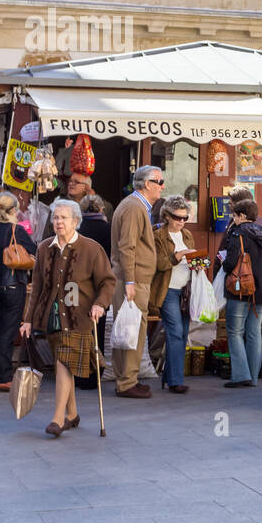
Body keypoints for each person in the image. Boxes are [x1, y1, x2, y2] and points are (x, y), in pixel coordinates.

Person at [21, 199, 115, 436]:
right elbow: (38, 286)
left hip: (79, 317)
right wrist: (28, 319)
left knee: (63, 362)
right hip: (52, 315)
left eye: (63, 218)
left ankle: (57, 419)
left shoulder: (92, 249)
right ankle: (72, 414)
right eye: (55, 217)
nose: (58, 222)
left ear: (76, 221)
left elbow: (107, 281)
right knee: (65, 364)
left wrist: (99, 304)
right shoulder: (44, 248)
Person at [110, 165, 163, 399]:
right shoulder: (133, 207)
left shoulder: (136, 206)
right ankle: (127, 382)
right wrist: (130, 281)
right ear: (146, 184)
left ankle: (127, 379)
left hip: (134, 279)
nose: (162, 187)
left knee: (129, 330)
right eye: (159, 182)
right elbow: (127, 246)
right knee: (132, 330)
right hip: (132, 281)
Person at [220, 199, 262, 388]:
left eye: (235, 215)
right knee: (255, 332)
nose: (234, 219)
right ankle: (253, 377)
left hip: (241, 290)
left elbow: (231, 263)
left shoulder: (238, 234)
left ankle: (241, 375)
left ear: (241, 216)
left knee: (235, 332)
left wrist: (223, 263)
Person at [0, 191, 38, 392]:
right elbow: (34, 249)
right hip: (13, 284)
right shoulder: (17, 230)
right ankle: (4, 377)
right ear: (13, 209)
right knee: (7, 331)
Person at [150, 195, 195, 395]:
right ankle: (176, 381)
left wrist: (198, 262)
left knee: (184, 334)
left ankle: (169, 376)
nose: (182, 222)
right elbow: (159, 264)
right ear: (167, 216)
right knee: (175, 332)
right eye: (178, 217)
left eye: (185, 218)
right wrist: (178, 256)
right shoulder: (157, 235)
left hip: (186, 290)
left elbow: (192, 260)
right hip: (167, 290)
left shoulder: (187, 235)